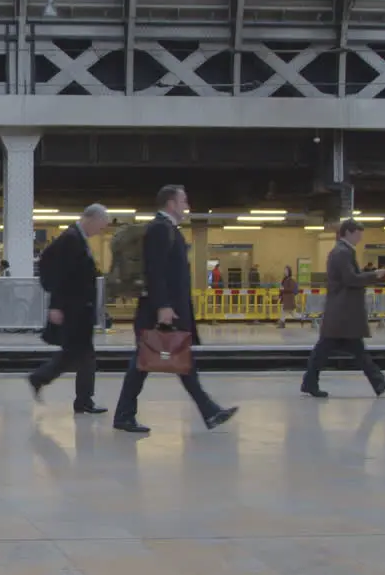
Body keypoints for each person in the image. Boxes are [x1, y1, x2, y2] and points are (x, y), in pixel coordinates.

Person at [112, 185, 239, 434]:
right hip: (161, 311)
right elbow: (155, 270)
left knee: (169, 362)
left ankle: (209, 411)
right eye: (184, 201)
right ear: (171, 203)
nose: (187, 206)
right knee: (149, 363)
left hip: (167, 309)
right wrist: (163, 306)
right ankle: (208, 411)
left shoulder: (167, 229)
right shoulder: (160, 229)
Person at [28, 204, 111, 413]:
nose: (100, 231)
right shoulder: (71, 239)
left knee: (80, 354)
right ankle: (42, 378)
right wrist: (56, 305)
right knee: (78, 354)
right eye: (101, 225)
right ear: (91, 219)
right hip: (74, 307)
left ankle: (81, 399)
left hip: (80, 308)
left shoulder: (77, 238)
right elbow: (60, 274)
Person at [300, 219, 385, 398]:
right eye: (359, 233)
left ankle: (378, 381)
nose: (360, 237)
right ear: (349, 232)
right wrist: (374, 274)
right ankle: (310, 382)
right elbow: (350, 279)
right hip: (342, 311)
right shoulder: (342, 253)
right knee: (332, 349)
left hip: (342, 311)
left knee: (348, 349)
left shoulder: (343, 251)